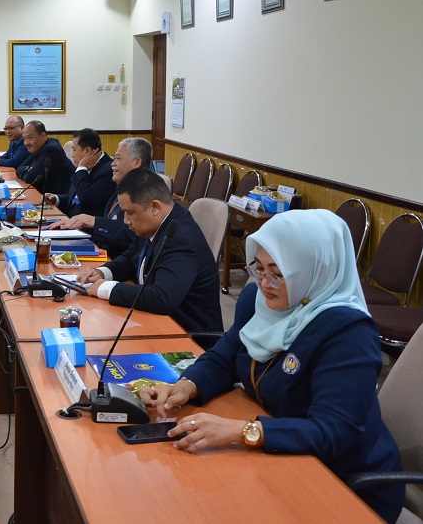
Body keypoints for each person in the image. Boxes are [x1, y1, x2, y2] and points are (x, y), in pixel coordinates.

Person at [140, 210, 404, 523]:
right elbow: (226, 355)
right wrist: (183, 386)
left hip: (344, 479)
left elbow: (333, 432)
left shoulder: (348, 332)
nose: (264, 283)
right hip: (282, 451)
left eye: (277, 273)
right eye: (259, 268)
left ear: (311, 270)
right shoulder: (259, 300)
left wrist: (243, 431)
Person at [77, 168, 222, 334]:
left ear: (154, 207)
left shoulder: (180, 238)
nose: (126, 221)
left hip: (187, 335)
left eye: (130, 213)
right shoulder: (152, 225)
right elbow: (130, 259)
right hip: (156, 321)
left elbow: (162, 298)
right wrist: (103, 273)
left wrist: (108, 289)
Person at [50, 136, 150, 258]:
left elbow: (131, 235)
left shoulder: (146, 193)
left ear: (137, 163)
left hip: (119, 264)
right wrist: (74, 225)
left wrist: (92, 221)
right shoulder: (123, 188)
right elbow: (107, 228)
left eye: (118, 158)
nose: (113, 163)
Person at [42, 128, 115, 219]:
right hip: (69, 221)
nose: (72, 155)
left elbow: (85, 199)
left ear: (87, 151)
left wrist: (81, 169)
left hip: (86, 229)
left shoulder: (108, 171)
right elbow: (74, 198)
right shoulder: (85, 167)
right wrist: (56, 199)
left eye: (74, 150)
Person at [15, 120, 74, 194]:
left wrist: (28, 170)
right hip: (45, 194)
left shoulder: (51, 149)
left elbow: (29, 178)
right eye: (24, 139)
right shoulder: (38, 147)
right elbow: (19, 169)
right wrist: (29, 169)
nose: (26, 143)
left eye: (29, 138)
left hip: (59, 198)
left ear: (43, 136)